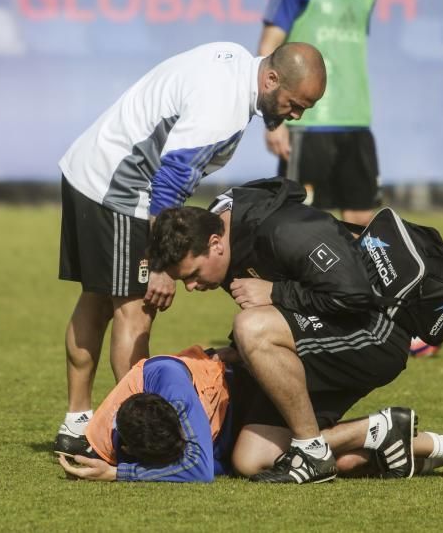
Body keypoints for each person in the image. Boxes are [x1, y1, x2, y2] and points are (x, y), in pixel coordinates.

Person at [53, 42, 327, 456]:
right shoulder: (224, 104)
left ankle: (77, 422)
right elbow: (169, 180)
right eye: (294, 104)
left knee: (94, 302)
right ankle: (138, 434)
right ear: (270, 79)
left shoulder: (234, 60)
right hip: (122, 190)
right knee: (135, 312)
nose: (295, 115)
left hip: (89, 171)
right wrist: (161, 263)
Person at [147, 177, 443, 483]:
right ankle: (404, 440)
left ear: (215, 243)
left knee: (250, 327)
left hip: (377, 334)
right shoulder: (223, 237)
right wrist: (236, 353)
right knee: (252, 459)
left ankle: (312, 453)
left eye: (194, 275)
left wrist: (277, 293)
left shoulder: (286, 231)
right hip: (330, 333)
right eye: (184, 281)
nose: (193, 286)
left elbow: (355, 295)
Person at [57, 346, 443, 483]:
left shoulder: (169, 383)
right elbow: (196, 460)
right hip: (229, 429)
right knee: (326, 467)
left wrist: (122, 478)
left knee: (252, 461)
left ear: (180, 416)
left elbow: (199, 469)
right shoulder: (105, 439)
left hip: (253, 391)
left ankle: (378, 428)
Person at [259, 0, 381, 227]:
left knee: (362, 225)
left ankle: (353, 285)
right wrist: (273, 119)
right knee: (299, 226)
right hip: (307, 123)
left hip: (356, 121)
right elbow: (268, 49)